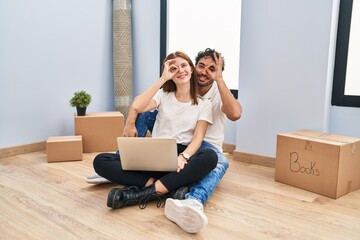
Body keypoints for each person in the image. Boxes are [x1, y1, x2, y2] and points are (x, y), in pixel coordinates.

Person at [123, 48, 242, 233]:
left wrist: (219, 79)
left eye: (212, 69)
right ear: (194, 67)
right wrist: (130, 122)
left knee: (220, 160)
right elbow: (140, 104)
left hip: (205, 144)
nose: (204, 71)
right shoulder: (182, 82)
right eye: (201, 66)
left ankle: (193, 201)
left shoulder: (219, 92)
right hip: (181, 139)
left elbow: (235, 113)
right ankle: (122, 159)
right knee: (145, 114)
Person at [92, 51, 218, 211]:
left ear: (191, 69)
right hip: (155, 154)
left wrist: (183, 157)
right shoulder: (163, 95)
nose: (180, 70)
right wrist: (163, 78)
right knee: (100, 161)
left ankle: (140, 194)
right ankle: (166, 188)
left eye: (184, 65)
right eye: (174, 68)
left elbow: (198, 138)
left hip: (180, 159)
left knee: (210, 157)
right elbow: (137, 106)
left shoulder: (203, 104)